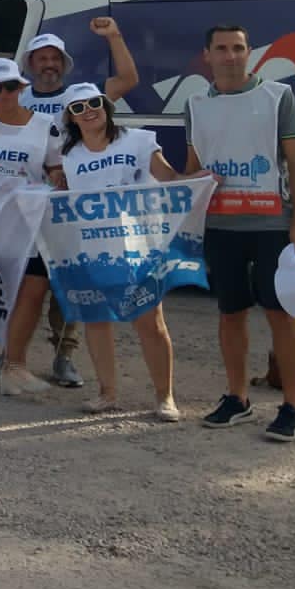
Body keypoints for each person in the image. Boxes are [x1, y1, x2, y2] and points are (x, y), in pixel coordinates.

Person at [183, 25, 295, 442]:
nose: (231, 55)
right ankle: (237, 398)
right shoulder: (195, 104)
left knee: (280, 313)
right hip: (221, 226)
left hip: (272, 224)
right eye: (222, 48)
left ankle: (291, 406)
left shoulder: (278, 97)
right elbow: (192, 167)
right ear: (207, 55)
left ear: (249, 52)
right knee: (231, 313)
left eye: (238, 48)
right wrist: (193, 182)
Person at [60, 83, 200, 421]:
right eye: (78, 107)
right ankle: (107, 394)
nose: (88, 111)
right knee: (97, 320)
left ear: (106, 106)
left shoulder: (137, 140)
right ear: (70, 118)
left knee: (150, 321)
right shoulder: (70, 156)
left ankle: (165, 397)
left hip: (140, 248)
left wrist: (198, 180)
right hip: (94, 249)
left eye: (94, 103)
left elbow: (168, 177)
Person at [14, 20, 143, 385]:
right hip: (25, 208)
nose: (49, 64)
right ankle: (12, 357)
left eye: (55, 58)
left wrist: (114, 37)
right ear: (30, 63)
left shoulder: (82, 96)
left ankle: (64, 356)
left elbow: (129, 79)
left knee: (68, 285)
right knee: (22, 286)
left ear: (64, 63)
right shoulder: (16, 98)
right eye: (42, 58)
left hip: (71, 209)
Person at [0, 57, 68, 395]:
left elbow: (55, 168)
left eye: (9, 87)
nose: (4, 94)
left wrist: (57, 179)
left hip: (30, 221)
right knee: (0, 293)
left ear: (21, 87)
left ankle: (14, 365)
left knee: (33, 292)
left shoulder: (45, 125)